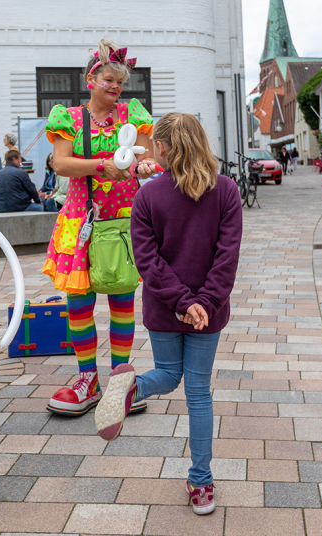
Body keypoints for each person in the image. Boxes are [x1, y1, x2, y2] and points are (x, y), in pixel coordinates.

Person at [94, 112, 242, 516]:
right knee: (197, 393)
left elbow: (147, 261)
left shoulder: (146, 196)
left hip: (164, 307)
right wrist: (203, 304)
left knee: (166, 375)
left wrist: (181, 302)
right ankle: (201, 484)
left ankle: (130, 388)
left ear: (160, 148)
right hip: (208, 312)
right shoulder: (226, 191)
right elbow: (226, 258)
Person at [43, 38, 157, 415]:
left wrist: (145, 166)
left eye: (120, 83)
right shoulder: (68, 117)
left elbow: (149, 157)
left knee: (123, 301)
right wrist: (102, 166)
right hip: (80, 221)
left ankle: (121, 381)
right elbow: (60, 164)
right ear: (91, 78)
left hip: (125, 221)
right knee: (79, 304)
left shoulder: (132, 113)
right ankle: (87, 379)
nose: (115, 88)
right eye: (108, 79)